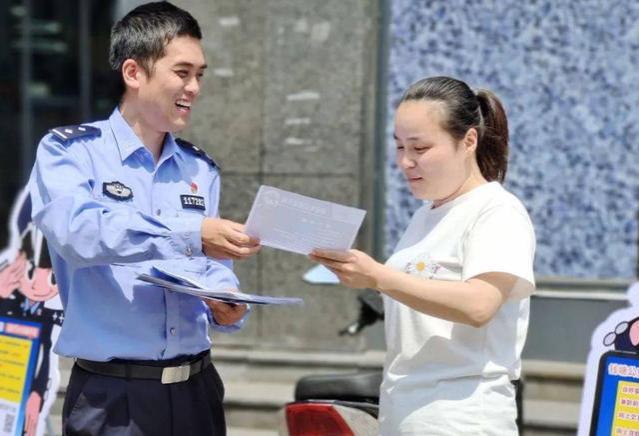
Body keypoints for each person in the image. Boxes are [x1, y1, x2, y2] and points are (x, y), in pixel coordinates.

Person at [28, 2, 260, 435]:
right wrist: (190, 233)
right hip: (112, 399)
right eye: (182, 72)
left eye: (200, 75)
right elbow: (78, 233)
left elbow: (211, 265)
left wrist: (227, 301)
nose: (194, 87)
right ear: (134, 73)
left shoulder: (200, 169)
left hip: (197, 392)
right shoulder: (69, 152)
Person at [311, 76, 535, 435]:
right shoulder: (426, 214)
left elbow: (479, 305)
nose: (405, 162)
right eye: (399, 147)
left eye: (420, 148)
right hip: (406, 412)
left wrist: (379, 277)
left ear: (469, 141)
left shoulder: (496, 210)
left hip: (462, 415)